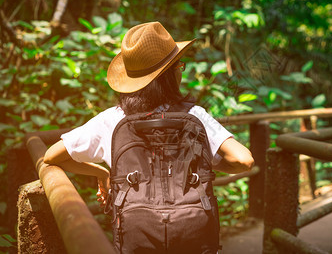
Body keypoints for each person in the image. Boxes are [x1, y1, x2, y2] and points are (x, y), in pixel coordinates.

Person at [44, 21, 254, 212]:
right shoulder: (194, 115)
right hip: (193, 234)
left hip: (137, 237)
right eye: (179, 66)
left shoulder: (111, 120)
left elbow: (52, 156)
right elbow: (243, 160)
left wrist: (103, 173)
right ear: (170, 76)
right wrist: (199, 161)